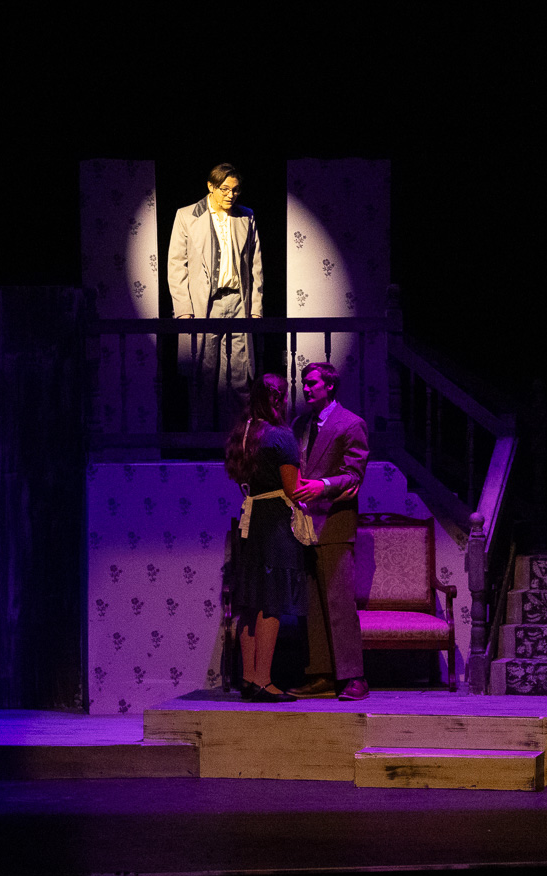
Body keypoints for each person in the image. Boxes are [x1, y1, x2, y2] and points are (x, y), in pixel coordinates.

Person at [289, 362, 370, 700]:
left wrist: (322, 486)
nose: (306, 389)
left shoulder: (350, 423)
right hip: (304, 524)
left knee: (339, 603)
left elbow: (354, 475)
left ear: (330, 386)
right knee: (312, 607)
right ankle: (321, 674)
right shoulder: (300, 424)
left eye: (312, 383)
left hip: (334, 523)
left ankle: (354, 678)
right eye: (304, 383)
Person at [223, 373, 304, 702]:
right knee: (272, 601)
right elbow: (293, 489)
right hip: (274, 521)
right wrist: (324, 489)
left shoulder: (243, 433)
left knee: (250, 601)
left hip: (250, 517)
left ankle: (248, 678)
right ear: (278, 398)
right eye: (282, 396)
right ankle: (264, 681)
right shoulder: (280, 436)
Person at [168, 163, 264, 432]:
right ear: (211, 187)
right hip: (204, 305)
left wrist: (255, 309)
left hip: (238, 302)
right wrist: (184, 310)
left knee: (239, 376)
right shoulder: (187, 215)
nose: (231, 195)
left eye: (235, 190)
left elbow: (255, 266)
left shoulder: (246, 216)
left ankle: (236, 438)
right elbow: (176, 266)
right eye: (224, 189)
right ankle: (201, 440)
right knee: (203, 374)